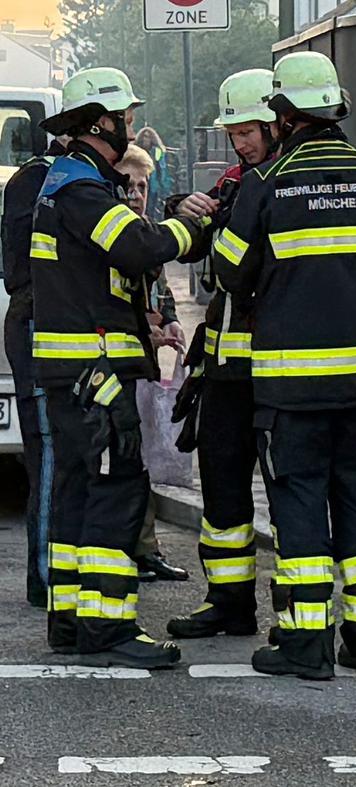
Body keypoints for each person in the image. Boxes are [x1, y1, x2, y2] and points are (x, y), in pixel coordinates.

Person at [211, 51, 356, 680]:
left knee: (299, 505)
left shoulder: (268, 184)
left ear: (282, 112)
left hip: (292, 388)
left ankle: (306, 646)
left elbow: (227, 269)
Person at [31, 67, 202, 668]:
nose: (130, 124)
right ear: (100, 120)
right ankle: (108, 630)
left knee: (79, 489)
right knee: (115, 487)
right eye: (125, 116)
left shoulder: (66, 183)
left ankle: (73, 622)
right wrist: (192, 224)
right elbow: (138, 248)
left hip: (75, 372)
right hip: (94, 373)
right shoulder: (81, 188)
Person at [164, 68, 280, 640]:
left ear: (279, 120)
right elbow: (206, 246)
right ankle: (229, 604)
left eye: (251, 130)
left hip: (283, 369)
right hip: (226, 370)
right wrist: (181, 206)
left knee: (290, 495)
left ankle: (299, 617)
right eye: (234, 133)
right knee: (223, 491)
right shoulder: (236, 183)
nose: (241, 142)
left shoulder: (289, 184)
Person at [111, 143, 191, 584]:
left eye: (142, 186)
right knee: (122, 464)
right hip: (115, 367)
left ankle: (146, 550)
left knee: (139, 463)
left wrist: (174, 323)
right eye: (128, 185)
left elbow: (162, 293)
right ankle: (130, 551)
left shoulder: (147, 233)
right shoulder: (111, 235)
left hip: (141, 365)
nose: (137, 194)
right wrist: (146, 327)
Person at [3, 135, 65, 608]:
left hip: (36, 322)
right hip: (37, 323)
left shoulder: (36, 178)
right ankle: (45, 576)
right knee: (46, 452)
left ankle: (53, 571)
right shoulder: (48, 180)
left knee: (51, 454)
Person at [135, 127, 174, 220]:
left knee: (152, 208)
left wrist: (165, 187)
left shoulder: (157, 151)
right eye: (144, 136)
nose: (146, 139)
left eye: (148, 137)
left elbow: (162, 168)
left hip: (153, 183)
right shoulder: (136, 150)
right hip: (139, 182)